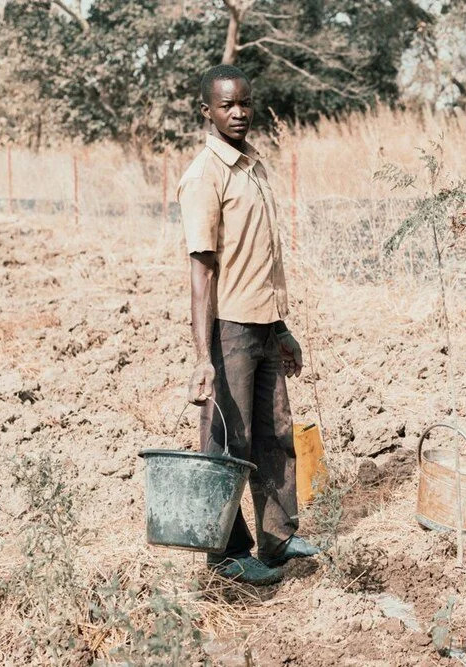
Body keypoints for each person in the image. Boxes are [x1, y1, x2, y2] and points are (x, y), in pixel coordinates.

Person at [177, 64, 319, 586]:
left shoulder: (253, 167)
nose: (238, 113)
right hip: (229, 328)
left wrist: (282, 329)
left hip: (263, 324)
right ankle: (227, 553)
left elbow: (263, 260)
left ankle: (278, 537)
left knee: (275, 434)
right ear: (207, 112)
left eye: (244, 103)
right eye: (226, 105)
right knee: (226, 442)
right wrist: (201, 356)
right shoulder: (204, 176)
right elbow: (202, 272)